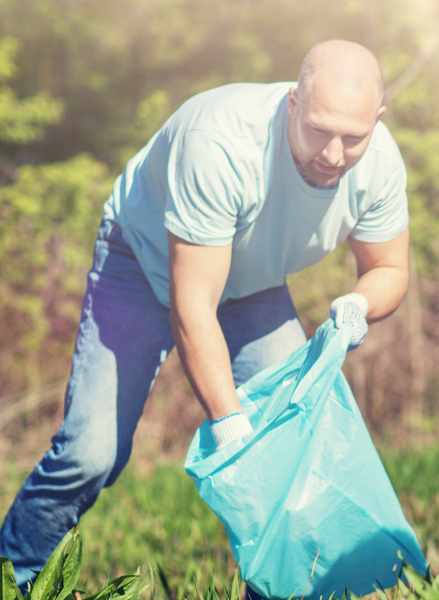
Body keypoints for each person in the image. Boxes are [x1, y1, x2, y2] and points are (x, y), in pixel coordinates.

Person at [0, 40, 411, 584]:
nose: (334, 154)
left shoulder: (378, 163)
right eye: (318, 129)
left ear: (377, 121)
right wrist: (232, 425)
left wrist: (360, 301)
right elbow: (193, 306)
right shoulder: (219, 142)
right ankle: (15, 576)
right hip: (143, 264)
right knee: (90, 454)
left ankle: (279, 592)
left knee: (291, 442)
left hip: (252, 285)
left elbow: (389, 268)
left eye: (353, 137)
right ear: (292, 103)